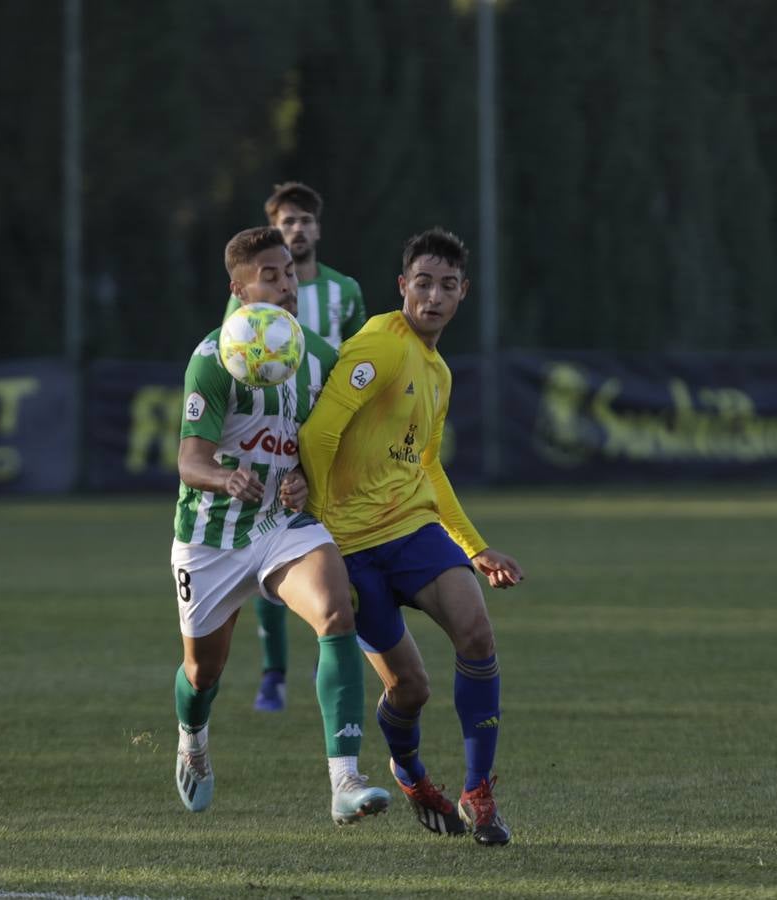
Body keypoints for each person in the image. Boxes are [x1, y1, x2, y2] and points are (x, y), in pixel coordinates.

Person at [299, 227, 524, 845]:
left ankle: (479, 793)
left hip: (410, 529)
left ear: (462, 294)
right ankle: (412, 774)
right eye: (422, 283)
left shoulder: (439, 372)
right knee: (410, 690)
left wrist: (474, 547)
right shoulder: (381, 345)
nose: (433, 296)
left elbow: (426, 464)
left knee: (477, 631)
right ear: (403, 286)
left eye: (446, 286)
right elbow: (318, 435)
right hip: (350, 548)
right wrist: (319, 538)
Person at [170, 225, 388, 825]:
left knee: (336, 608)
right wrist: (225, 476)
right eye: (271, 275)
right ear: (240, 289)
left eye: (290, 272)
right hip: (211, 537)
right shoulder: (214, 359)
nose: (287, 284)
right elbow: (190, 460)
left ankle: (344, 781)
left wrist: (308, 480)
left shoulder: (319, 356)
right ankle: (193, 736)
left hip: (281, 523)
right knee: (202, 671)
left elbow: (334, 450)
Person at [223, 182, 368, 713]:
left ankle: (326, 651)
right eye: (289, 221)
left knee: (332, 554)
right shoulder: (250, 293)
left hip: (323, 436)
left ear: (317, 228)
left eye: (306, 219)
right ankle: (273, 675)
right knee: (267, 545)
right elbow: (231, 350)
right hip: (271, 433)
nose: (298, 229)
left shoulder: (344, 292)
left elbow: (355, 362)